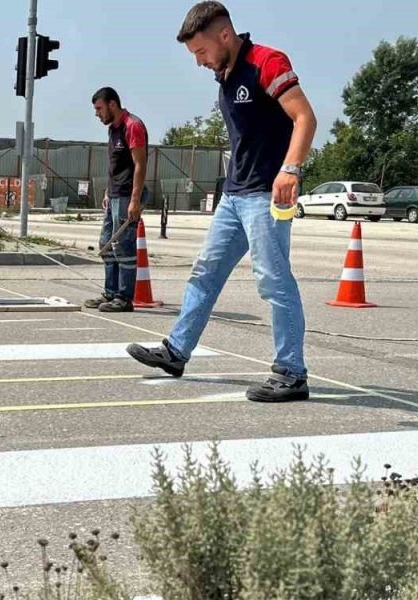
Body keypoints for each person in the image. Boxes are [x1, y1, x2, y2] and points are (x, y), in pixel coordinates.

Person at [126, 1, 318, 403]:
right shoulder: (225, 73)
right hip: (234, 196)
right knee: (204, 273)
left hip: (266, 194)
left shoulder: (266, 61)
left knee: (274, 282)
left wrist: (291, 170)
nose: (198, 62)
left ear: (225, 35)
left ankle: (292, 373)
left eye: (201, 51)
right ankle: (176, 352)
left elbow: (305, 118)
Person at [86, 87, 149, 313]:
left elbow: (139, 165)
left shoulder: (133, 126)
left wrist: (135, 200)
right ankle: (110, 292)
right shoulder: (113, 129)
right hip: (113, 194)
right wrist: (106, 191)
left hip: (126, 195)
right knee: (106, 244)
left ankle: (124, 297)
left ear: (112, 104)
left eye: (99, 108)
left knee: (123, 246)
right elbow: (116, 166)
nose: (97, 114)